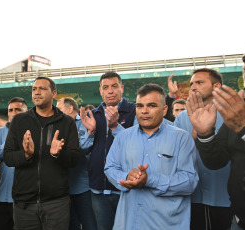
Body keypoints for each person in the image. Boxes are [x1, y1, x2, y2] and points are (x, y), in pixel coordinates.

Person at [104, 83, 198, 230]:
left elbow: (190, 181)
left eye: (152, 105)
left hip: (166, 224)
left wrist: (149, 180)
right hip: (128, 223)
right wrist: (126, 176)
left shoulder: (181, 138)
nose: (144, 111)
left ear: (164, 109)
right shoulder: (122, 137)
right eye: (139, 106)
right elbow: (110, 168)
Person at [3, 76, 80, 230]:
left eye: (42, 88)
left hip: (56, 204)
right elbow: (8, 157)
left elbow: (74, 159)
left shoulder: (67, 122)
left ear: (53, 93)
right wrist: (26, 154)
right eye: (34, 89)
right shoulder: (19, 121)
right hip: (24, 203)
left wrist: (57, 154)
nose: (37, 92)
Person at [188, 55, 245, 230]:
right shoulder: (238, 110)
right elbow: (216, 161)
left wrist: (243, 130)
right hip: (239, 218)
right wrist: (205, 134)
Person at [174, 68, 233, 230]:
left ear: (216, 86)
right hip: (192, 197)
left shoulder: (232, 114)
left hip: (225, 197)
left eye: (199, 82)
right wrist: (193, 139)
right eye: (192, 83)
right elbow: (174, 155)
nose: (193, 87)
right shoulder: (181, 118)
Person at [80, 71, 136, 230]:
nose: (110, 91)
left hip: (125, 188)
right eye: (105, 87)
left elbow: (138, 146)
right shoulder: (92, 114)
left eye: (114, 86)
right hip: (98, 189)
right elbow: (82, 150)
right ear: (100, 91)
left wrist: (115, 127)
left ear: (122, 88)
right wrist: (90, 133)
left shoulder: (134, 111)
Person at [57, 97, 97, 230]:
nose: (56, 113)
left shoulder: (85, 124)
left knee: (89, 224)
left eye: (59, 109)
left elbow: (80, 149)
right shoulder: (57, 127)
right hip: (64, 189)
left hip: (83, 187)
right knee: (71, 225)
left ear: (69, 109)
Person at [0, 97, 28, 230]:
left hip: (25, 201)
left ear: (26, 112)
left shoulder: (35, 131)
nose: (13, 112)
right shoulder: (1, 132)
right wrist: (7, 144)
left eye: (18, 109)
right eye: (10, 110)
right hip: (1, 198)